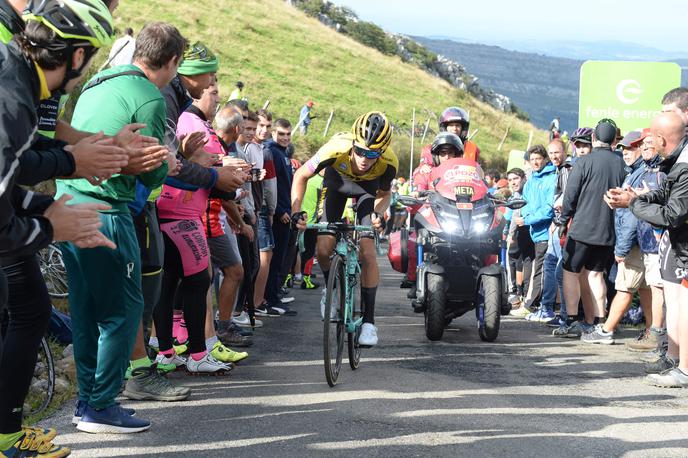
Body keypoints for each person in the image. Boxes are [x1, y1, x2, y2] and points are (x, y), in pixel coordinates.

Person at [0, 0, 121, 454]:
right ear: (76, 57)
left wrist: (48, 209)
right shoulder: (13, 98)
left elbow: (7, 186)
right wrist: (52, 227)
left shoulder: (16, 72)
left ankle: (7, 434)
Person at [54, 21, 186, 434]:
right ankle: (102, 405)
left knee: (86, 308)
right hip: (108, 210)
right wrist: (169, 164)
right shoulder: (150, 96)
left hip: (66, 204)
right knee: (124, 310)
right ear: (174, 62)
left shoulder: (97, 82)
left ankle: (86, 401)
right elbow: (148, 170)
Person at [291, 112, 397, 346]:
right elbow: (301, 175)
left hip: (367, 190)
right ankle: (331, 290)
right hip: (336, 183)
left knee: (368, 251)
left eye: (371, 155)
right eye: (359, 151)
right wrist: (297, 210)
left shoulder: (389, 163)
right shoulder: (336, 148)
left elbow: (385, 195)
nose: (363, 159)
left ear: (381, 152)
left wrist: (378, 214)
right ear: (352, 144)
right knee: (323, 249)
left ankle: (369, 323)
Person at [605, 111, 688, 387]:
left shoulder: (685, 164)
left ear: (662, 139)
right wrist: (635, 196)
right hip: (675, 243)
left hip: (682, 242)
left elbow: (672, 214)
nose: (647, 144)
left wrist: (632, 204)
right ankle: (674, 358)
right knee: (674, 301)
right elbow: (665, 193)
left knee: (684, 305)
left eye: (651, 138)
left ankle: (685, 369)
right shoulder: (676, 160)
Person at [584, 130, 666, 347]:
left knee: (625, 287)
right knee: (647, 289)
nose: (627, 152)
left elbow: (632, 215)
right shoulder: (640, 171)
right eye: (624, 148)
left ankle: (606, 330)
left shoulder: (653, 172)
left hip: (643, 240)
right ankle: (652, 333)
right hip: (644, 240)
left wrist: (621, 248)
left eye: (632, 147)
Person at [554, 119, 626, 338]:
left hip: (582, 229)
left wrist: (563, 221)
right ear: (615, 140)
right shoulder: (622, 164)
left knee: (570, 272)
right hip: (608, 230)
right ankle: (601, 323)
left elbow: (571, 196)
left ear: (593, 139)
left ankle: (572, 321)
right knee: (596, 276)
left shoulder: (583, 162)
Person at [516, 145, 557, 322]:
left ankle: (531, 305)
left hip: (547, 232)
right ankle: (539, 305)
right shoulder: (531, 180)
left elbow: (549, 209)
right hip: (535, 232)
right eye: (532, 159)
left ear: (545, 159)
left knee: (541, 270)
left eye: (538, 158)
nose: (535, 162)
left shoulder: (552, 178)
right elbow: (524, 203)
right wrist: (525, 216)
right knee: (539, 268)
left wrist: (528, 220)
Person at [263, 118, 297, 314]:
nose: (285, 137)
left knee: (281, 259)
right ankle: (270, 299)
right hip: (278, 213)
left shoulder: (283, 153)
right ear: (273, 133)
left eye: (288, 134)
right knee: (274, 260)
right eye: (281, 134)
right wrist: (280, 211)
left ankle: (275, 295)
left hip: (285, 210)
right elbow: (271, 186)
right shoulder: (272, 152)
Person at [544, 139, 573, 326]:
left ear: (564, 151)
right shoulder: (558, 170)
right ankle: (554, 311)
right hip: (557, 225)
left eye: (557, 152)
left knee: (562, 273)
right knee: (551, 266)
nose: (554, 156)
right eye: (551, 153)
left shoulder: (569, 169)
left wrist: (561, 223)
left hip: (566, 227)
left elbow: (568, 200)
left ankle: (565, 315)